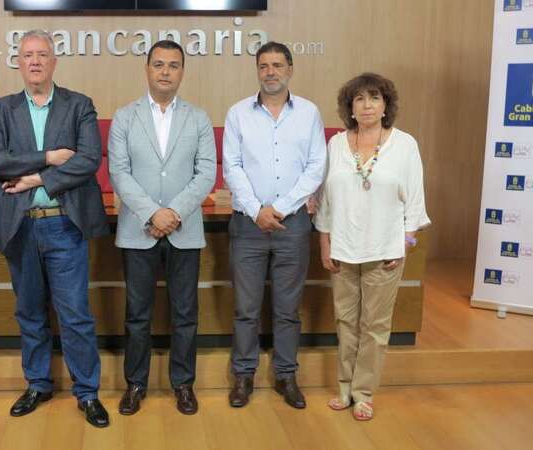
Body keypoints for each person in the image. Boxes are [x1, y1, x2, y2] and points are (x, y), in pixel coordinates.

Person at [0, 30, 110, 428]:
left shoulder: (79, 106)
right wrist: (50, 158)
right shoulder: (1, 110)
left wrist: (37, 179)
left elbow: (88, 159)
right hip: (20, 228)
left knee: (75, 315)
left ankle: (87, 393)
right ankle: (38, 384)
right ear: (17, 63)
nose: (35, 62)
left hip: (63, 226)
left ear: (54, 62)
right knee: (30, 312)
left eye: (42, 55)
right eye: (27, 56)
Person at [108, 40, 216, 416]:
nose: (166, 71)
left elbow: (207, 173)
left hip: (184, 231)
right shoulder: (125, 117)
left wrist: (173, 213)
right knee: (138, 314)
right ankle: (135, 384)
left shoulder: (199, 118)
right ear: (147, 70)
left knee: (185, 313)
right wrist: (153, 214)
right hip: (138, 231)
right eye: (159, 64)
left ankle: (183, 384)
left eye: (173, 65)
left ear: (182, 71)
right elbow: (119, 172)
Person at [314, 72, 430, 421]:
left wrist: (405, 244)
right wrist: (324, 241)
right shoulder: (336, 144)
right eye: (359, 99)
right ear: (350, 106)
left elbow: (415, 203)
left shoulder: (404, 144)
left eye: (374, 98)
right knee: (345, 322)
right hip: (342, 250)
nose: (367, 105)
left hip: (385, 252)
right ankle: (346, 388)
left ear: (385, 105)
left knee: (375, 327)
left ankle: (364, 394)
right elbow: (325, 200)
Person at [223, 42, 326, 409]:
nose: (270, 72)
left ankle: (286, 376)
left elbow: (316, 167)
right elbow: (231, 167)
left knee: (287, 308)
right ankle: (244, 376)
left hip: (293, 225)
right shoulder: (238, 113)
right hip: (248, 226)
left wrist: (279, 209)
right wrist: (257, 211)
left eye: (277, 65)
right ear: (257, 70)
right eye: (264, 65)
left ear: (290, 69)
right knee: (246, 308)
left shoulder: (309, 113)